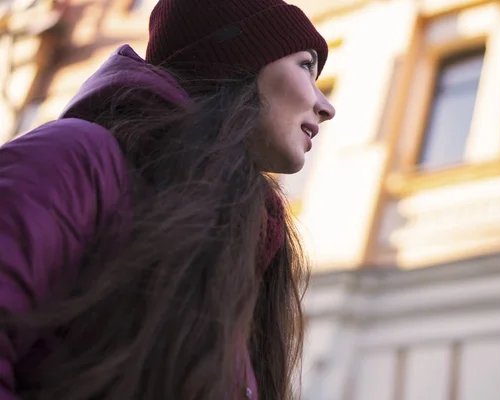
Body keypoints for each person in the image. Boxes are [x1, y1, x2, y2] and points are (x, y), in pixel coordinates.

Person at [0, 0, 335, 398]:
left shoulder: (243, 245)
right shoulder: (76, 158)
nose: (326, 106)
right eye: (305, 66)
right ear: (237, 59)